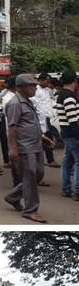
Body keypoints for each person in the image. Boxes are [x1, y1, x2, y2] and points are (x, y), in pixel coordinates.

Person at [4, 74, 47, 223]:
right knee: (30, 177)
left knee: (38, 174)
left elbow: (30, 123)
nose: (34, 88)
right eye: (31, 86)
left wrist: (42, 136)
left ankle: (12, 196)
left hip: (36, 144)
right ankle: (30, 210)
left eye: (35, 85)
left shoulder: (28, 101)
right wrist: (13, 148)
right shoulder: (15, 103)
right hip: (25, 146)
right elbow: (12, 127)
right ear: (20, 88)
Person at [54, 70, 79, 201]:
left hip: (67, 133)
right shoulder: (69, 97)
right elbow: (72, 120)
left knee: (67, 162)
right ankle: (77, 191)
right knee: (77, 162)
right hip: (72, 134)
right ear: (74, 81)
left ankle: (66, 189)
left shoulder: (62, 95)